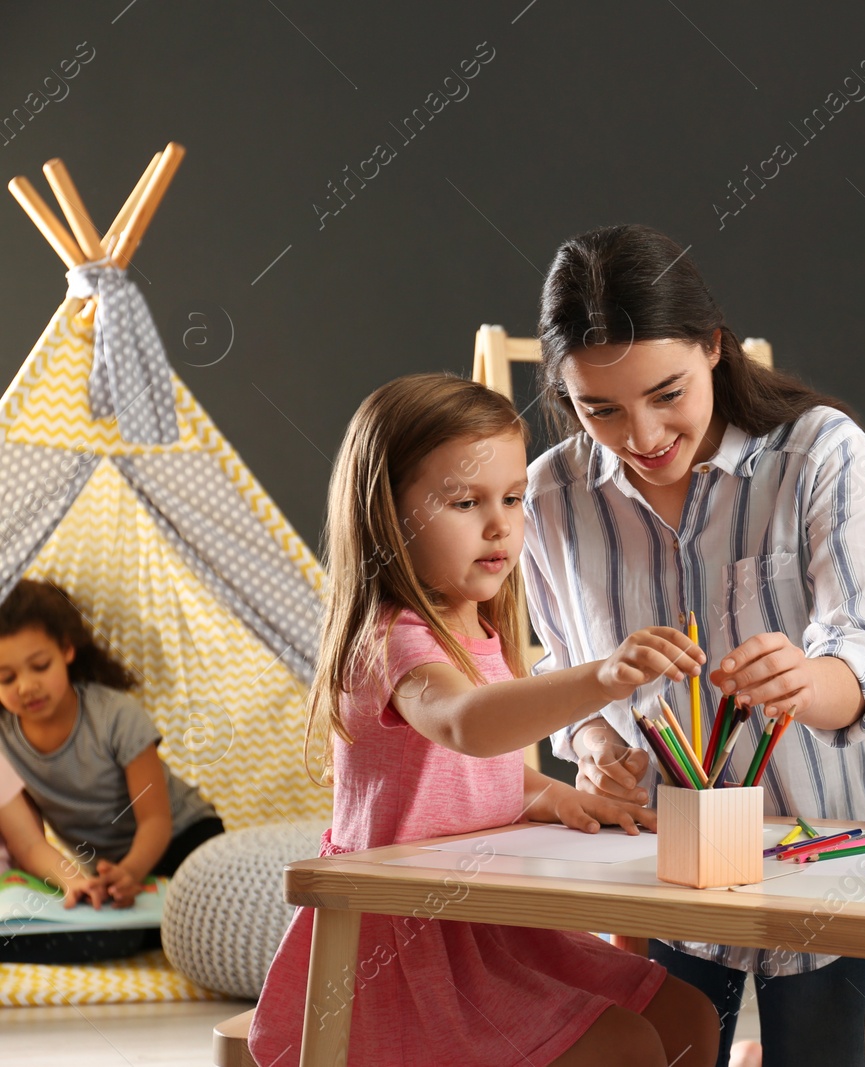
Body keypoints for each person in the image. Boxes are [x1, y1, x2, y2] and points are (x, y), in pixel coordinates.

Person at [249, 373, 718, 1067]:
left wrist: (564, 799)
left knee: (687, 1015)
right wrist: (600, 676)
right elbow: (466, 724)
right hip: (403, 940)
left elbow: (474, 776)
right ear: (386, 516)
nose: (500, 524)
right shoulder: (392, 638)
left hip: (490, 921)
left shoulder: (481, 629)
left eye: (513, 499)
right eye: (466, 502)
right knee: (623, 1046)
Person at [523, 224, 865, 1067]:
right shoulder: (548, 493)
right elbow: (557, 672)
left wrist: (807, 679)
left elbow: (862, 648)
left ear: (713, 347)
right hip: (659, 867)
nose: (643, 434)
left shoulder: (817, 450)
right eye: (600, 408)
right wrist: (593, 744)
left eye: (668, 393)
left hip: (822, 845)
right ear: (564, 391)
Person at [0, 579, 223, 961]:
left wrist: (132, 872)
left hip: (184, 840)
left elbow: (155, 820)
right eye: (6, 678)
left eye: (39, 666)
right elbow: (30, 843)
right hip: (108, 866)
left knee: (213, 913)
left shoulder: (117, 717)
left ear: (67, 650)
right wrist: (78, 883)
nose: (27, 687)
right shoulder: (3, 741)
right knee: (100, 922)